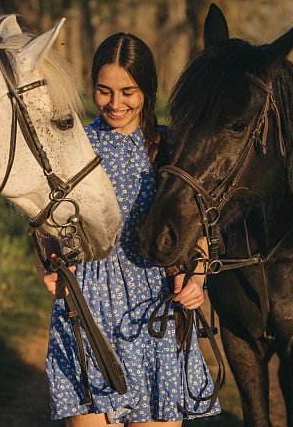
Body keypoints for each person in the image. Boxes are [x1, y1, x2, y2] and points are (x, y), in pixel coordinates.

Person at [36, 33, 221, 425]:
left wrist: (198, 278)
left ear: (147, 90)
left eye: (128, 91)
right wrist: (46, 262)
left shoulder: (170, 146)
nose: (116, 103)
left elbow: (197, 223)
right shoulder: (75, 143)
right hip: (86, 307)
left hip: (154, 306)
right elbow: (47, 217)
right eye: (104, 91)